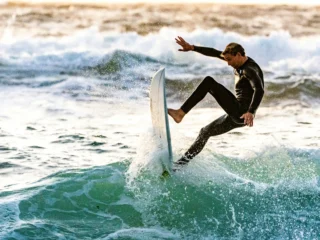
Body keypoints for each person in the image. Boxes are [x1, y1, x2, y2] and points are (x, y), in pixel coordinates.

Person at [168, 36, 264, 166]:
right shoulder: (237, 61)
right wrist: (192, 48)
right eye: (226, 60)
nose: (228, 63)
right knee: (205, 132)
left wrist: (251, 112)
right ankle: (179, 165)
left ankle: (180, 113)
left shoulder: (249, 70)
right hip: (238, 116)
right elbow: (213, 52)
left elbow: (259, 89)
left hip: (242, 112)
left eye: (229, 60)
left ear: (239, 54)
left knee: (209, 82)